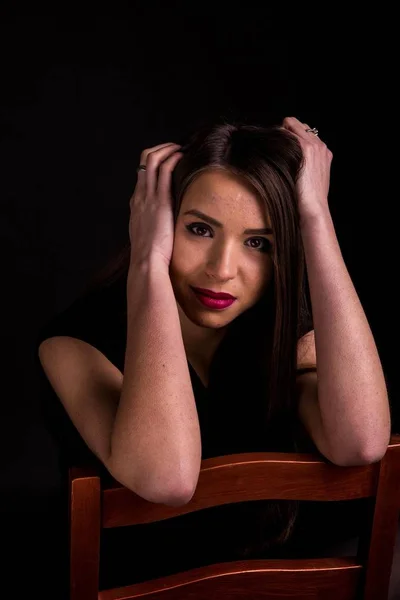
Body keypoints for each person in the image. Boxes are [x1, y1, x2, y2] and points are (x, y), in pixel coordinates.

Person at [36, 115, 391, 589]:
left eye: (258, 243)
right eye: (200, 230)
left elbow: (362, 442)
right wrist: (148, 262)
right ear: (159, 223)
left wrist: (315, 218)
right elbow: (167, 478)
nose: (223, 270)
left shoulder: (288, 333)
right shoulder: (73, 343)